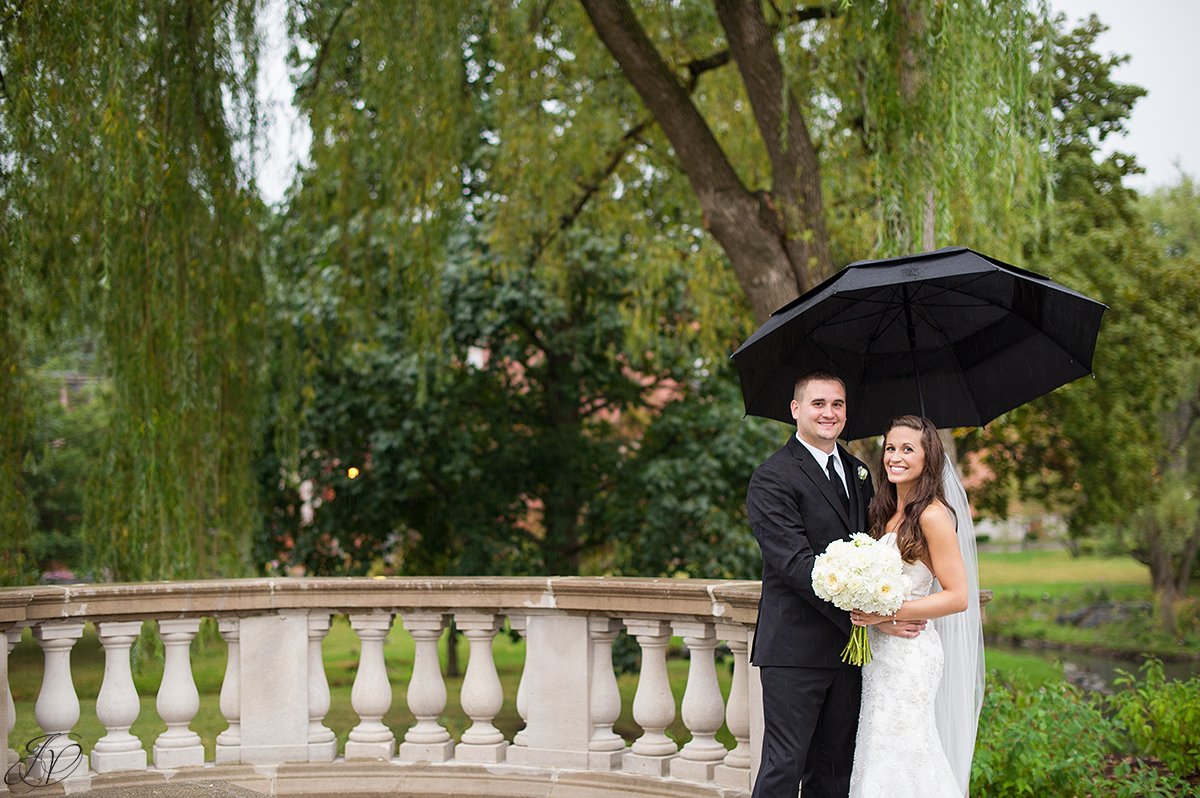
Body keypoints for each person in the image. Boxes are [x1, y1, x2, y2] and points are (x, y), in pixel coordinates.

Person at [746, 372, 925, 798]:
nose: (830, 413)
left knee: (836, 770)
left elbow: (876, 548)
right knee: (784, 765)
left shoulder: (860, 472)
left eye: (838, 404)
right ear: (795, 410)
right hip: (795, 650)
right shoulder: (772, 478)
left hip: (851, 651)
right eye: (818, 403)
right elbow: (795, 565)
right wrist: (868, 614)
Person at [848, 415, 984, 797]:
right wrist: (868, 614)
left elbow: (958, 596)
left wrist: (888, 615)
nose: (895, 456)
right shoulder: (885, 511)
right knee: (876, 749)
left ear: (929, 458)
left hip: (911, 654)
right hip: (879, 653)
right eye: (890, 447)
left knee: (904, 751)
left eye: (908, 449)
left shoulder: (933, 515)